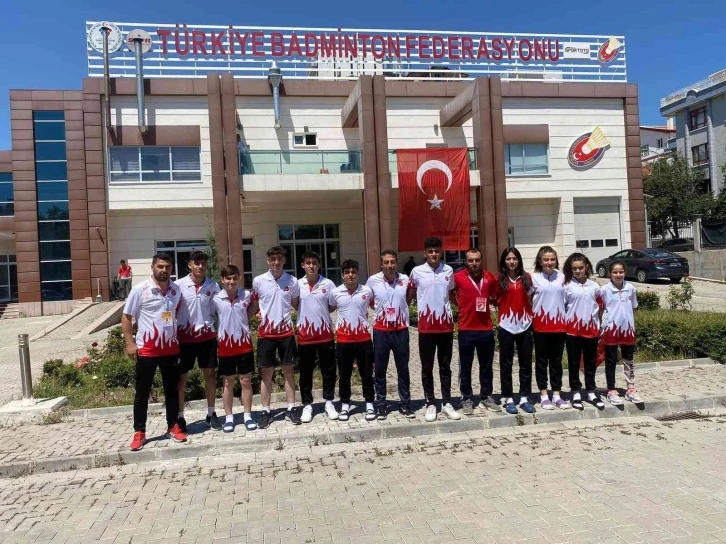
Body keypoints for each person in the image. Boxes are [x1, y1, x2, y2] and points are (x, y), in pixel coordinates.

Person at [122, 253, 186, 451]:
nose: (164, 270)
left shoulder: (176, 290)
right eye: (160, 266)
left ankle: (173, 426)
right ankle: (139, 432)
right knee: (142, 393)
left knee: (172, 390)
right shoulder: (140, 290)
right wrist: (130, 343)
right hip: (147, 351)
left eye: (167, 267)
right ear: (152, 267)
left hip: (170, 349)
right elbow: (126, 317)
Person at [407, 237, 458, 422]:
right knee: (427, 367)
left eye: (437, 251)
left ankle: (447, 402)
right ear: (425, 253)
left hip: (445, 327)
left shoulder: (448, 270)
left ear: (441, 252)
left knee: (445, 367)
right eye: (430, 251)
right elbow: (409, 296)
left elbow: (451, 294)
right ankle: (430, 402)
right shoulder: (416, 272)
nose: (434, 254)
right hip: (426, 328)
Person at [252, 246, 302, 428]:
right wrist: (254, 316)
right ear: (268, 261)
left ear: (284, 260)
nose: (276, 262)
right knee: (266, 374)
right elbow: (254, 305)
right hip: (266, 334)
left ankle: (291, 408)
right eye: (273, 259)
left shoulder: (292, 281)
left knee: (288, 371)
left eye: (279, 259)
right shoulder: (258, 281)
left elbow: (297, 305)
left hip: (286, 333)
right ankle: (266, 411)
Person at [176, 251, 221, 432]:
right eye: (197, 263)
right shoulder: (178, 286)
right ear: (190, 265)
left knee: (210, 376)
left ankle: (211, 413)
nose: (200, 266)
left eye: (203, 263)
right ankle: (180, 416)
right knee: (181, 379)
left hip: (207, 338)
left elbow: (222, 307)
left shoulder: (213, 285)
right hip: (184, 339)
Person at [366, 250, 413, 420]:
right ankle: (381, 404)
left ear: (396, 263)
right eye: (386, 262)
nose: (389, 265)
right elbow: (370, 301)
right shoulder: (373, 280)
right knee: (380, 369)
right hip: (381, 331)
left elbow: (408, 298)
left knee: (403, 368)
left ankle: (405, 402)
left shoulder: (405, 279)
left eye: (392, 262)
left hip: (401, 330)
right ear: (381, 264)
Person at [449, 248, 497, 416]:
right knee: (465, 366)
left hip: (486, 328)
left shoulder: (489, 277)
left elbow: (494, 295)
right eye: (470, 260)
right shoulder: (457, 277)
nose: (474, 263)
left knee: (487, 366)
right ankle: (466, 398)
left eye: (477, 260)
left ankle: (486, 396)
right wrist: (460, 304)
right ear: (466, 262)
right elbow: (449, 293)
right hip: (466, 328)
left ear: (481, 260)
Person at [328, 259, 376, 421]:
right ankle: (345, 405)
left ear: (358, 274)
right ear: (342, 275)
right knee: (344, 374)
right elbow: (330, 308)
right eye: (347, 272)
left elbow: (376, 305)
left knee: (367, 373)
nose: (350, 275)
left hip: (364, 338)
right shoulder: (335, 292)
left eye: (353, 272)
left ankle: (369, 403)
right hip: (344, 340)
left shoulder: (367, 291)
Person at [213, 265, 258, 433]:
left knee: (246, 381)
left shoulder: (246, 295)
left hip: (244, 345)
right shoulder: (216, 298)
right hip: (225, 346)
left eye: (234, 278)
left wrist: (247, 318)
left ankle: (247, 416)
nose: (231, 281)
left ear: (239, 279)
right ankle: (229, 418)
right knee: (227, 382)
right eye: (228, 278)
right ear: (222, 280)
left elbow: (255, 306)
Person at [492, 248, 536, 415]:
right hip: (506, 326)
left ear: (519, 260)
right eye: (508, 259)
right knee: (506, 364)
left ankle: (524, 397)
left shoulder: (527, 278)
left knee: (526, 363)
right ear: (504, 261)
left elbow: (531, 298)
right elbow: (493, 299)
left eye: (514, 258)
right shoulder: (498, 279)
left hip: (525, 325)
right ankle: (508, 398)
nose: (512, 262)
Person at [296, 251, 338, 423]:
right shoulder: (297, 284)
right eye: (308, 263)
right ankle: (307, 405)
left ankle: (329, 402)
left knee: (328, 370)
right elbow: (294, 304)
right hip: (305, 336)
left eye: (314, 262)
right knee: (306, 372)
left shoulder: (328, 284)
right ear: (303, 266)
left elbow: (332, 307)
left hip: (325, 335)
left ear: (319, 265)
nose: (311, 265)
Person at [563, 252, 605, 410]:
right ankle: (575, 392)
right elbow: (563, 307)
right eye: (574, 268)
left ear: (586, 267)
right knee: (574, 363)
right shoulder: (567, 286)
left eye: (580, 268)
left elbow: (600, 307)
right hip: (572, 331)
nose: (577, 271)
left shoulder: (595, 287)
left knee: (590, 362)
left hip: (591, 330)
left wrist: (601, 326)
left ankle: (591, 391)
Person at [532, 246, 570, 410]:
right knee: (541, 362)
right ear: (540, 261)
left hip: (559, 326)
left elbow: (568, 300)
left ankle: (556, 394)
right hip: (540, 326)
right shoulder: (533, 278)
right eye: (546, 259)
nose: (549, 262)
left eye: (552, 259)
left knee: (556, 362)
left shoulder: (562, 278)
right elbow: (528, 300)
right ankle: (543, 395)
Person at [600, 261, 642, 404]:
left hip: (627, 330)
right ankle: (611, 390)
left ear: (625, 272)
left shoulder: (631, 288)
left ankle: (631, 388)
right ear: (610, 274)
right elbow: (600, 310)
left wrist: (631, 325)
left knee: (628, 359)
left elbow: (634, 307)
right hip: (611, 331)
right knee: (611, 361)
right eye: (615, 272)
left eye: (621, 272)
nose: (618, 275)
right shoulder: (604, 290)